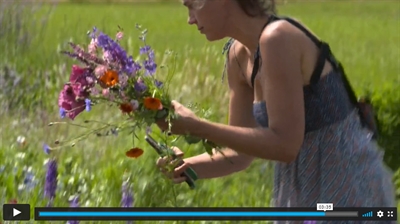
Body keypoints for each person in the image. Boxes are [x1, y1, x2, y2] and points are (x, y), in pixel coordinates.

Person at [155, 0, 396, 212]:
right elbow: (240, 155)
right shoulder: (237, 56)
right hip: (300, 195)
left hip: (349, 192)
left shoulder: (278, 38)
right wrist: (187, 166)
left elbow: (285, 145)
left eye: (192, 5)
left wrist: (197, 127)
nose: (189, 19)